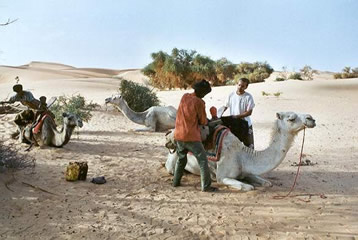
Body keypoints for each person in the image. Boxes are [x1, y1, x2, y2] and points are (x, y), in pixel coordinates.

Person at [173, 79, 217, 192]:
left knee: (181, 159)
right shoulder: (200, 102)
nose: (204, 96)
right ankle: (206, 186)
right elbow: (203, 121)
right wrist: (213, 117)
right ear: (202, 92)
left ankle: (176, 182)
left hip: (178, 134)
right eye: (205, 94)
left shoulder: (184, 96)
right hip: (191, 136)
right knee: (203, 161)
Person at [220, 78, 255, 149]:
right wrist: (219, 114)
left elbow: (249, 112)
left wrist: (237, 116)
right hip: (234, 124)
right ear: (237, 84)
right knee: (234, 146)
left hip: (246, 124)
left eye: (242, 86)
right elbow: (225, 106)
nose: (240, 87)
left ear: (246, 87)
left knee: (249, 146)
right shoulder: (231, 95)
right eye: (239, 85)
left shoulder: (248, 97)